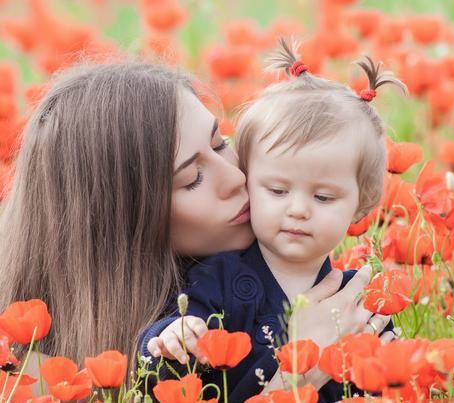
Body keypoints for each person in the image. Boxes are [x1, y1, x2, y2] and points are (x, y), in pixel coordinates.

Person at [0, 62, 377, 380]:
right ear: (124, 225)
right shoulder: (26, 376)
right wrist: (297, 371)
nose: (236, 178)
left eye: (220, 144)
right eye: (191, 178)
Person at [141, 39, 406, 402]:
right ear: (248, 179)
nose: (298, 209)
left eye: (323, 197)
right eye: (277, 191)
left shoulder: (359, 299)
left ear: (364, 205)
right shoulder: (217, 279)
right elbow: (161, 361)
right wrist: (174, 334)